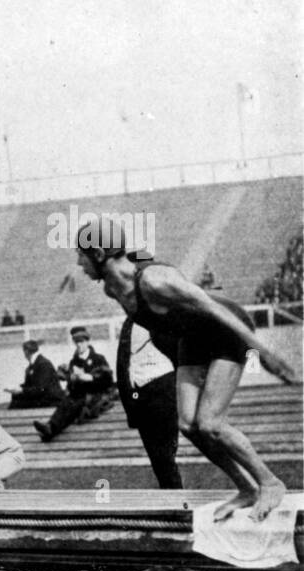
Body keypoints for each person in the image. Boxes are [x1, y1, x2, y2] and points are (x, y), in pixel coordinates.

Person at [75, 216, 299, 521]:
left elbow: (212, 307)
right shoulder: (113, 290)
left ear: (99, 255)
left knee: (210, 424)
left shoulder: (154, 280)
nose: (79, 263)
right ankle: (245, 489)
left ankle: (270, 483)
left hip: (224, 330)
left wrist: (264, 354)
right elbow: (162, 319)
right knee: (186, 423)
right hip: (192, 338)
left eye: (81, 255)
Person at [118, 317, 182, 489]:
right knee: (156, 457)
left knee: (165, 454)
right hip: (139, 392)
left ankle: (177, 503)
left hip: (163, 387)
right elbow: (122, 363)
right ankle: (172, 499)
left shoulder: (163, 316)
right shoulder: (129, 323)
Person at [34, 327, 113, 442]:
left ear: (87, 342)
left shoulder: (98, 358)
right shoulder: (74, 361)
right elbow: (71, 386)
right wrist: (70, 378)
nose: (79, 345)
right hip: (78, 395)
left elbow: (108, 380)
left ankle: (50, 429)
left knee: (75, 403)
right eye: (76, 342)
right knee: (67, 401)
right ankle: (49, 427)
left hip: (95, 396)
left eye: (81, 342)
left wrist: (90, 378)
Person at [5, 340, 65, 409]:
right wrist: (16, 389)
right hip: (43, 396)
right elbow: (30, 385)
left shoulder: (43, 364)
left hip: (52, 399)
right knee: (16, 397)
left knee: (17, 403)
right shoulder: (33, 365)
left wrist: (21, 390)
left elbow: (41, 389)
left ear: (26, 351)